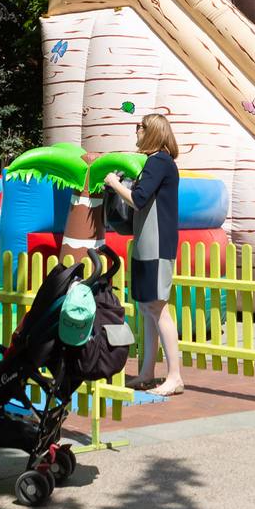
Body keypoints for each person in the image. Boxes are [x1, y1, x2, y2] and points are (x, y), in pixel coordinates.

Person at [103, 113, 185, 398]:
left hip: (156, 245)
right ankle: (148, 371)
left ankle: (174, 376)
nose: (136, 131)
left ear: (152, 132)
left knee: (157, 308)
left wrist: (115, 183)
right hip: (146, 243)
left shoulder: (159, 162)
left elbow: (138, 199)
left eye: (140, 127)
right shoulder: (156, 163)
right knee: (146, 309)